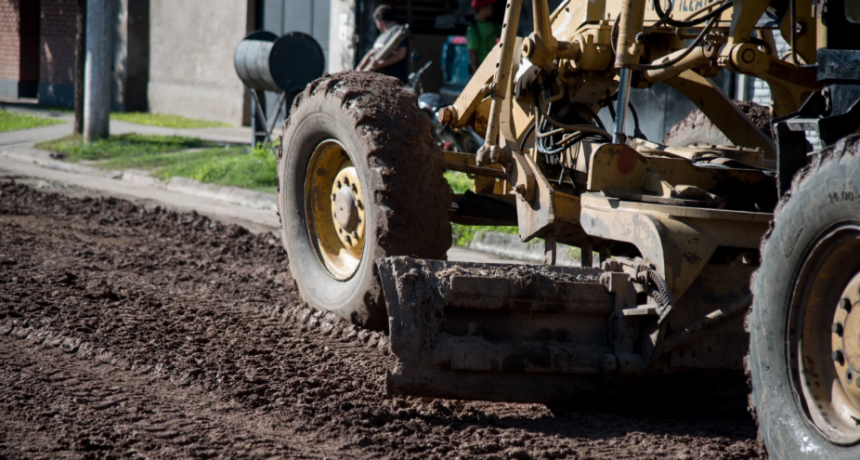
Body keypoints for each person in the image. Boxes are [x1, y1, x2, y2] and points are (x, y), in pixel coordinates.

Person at [358, 5, 409, 84]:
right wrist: (359, 68)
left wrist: (380, 64)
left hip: (394, 82)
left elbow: (401, 54)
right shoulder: (381, 36)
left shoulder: (398, 32)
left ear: (380, 21)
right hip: (380, 82)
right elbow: (371, 52)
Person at [466, 0, 502, 73]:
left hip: (494, 70)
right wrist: (478, 77)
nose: (493, 9)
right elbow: (473, 57)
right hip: (483, 72)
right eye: (490, 6)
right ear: (483, 9)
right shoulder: (474, 30)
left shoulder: (492, 24)